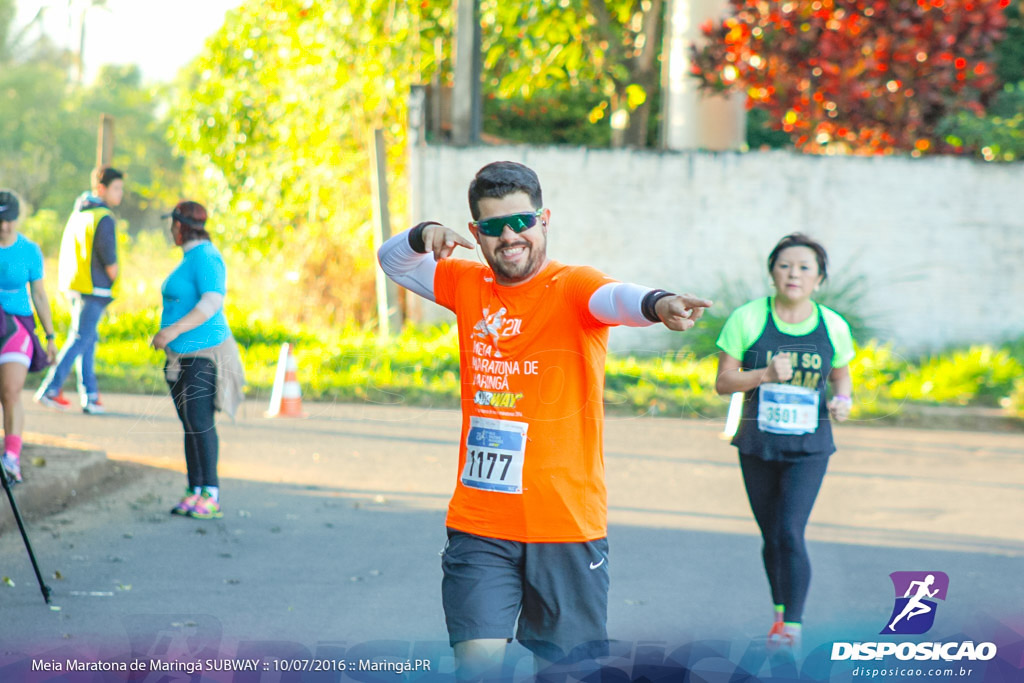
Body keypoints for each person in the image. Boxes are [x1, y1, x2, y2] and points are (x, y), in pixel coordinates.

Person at [377, 161, 713, 677]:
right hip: (481, 522)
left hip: (566, 524)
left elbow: (616, 298)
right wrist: (423, 233)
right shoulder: (467, 283)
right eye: (492, 227)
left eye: (521, 222)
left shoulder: (573, 286)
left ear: (544, 219)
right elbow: (393, 262)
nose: (510, 236)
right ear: (475, 234)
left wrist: (658, 302)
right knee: (477, 665)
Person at [714, 233, 854, 655]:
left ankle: (792, 626)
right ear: (772, 271)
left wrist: (844, 399)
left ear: (819, 278)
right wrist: (765, 375)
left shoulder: (832, 325)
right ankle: (780, 613)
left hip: (809, 448)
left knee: (791, 531)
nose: (794, 274)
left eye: (805, 267)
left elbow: (841, 374)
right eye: (785, 265)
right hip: (758, 443)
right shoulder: (748, 318)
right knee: (771, 535)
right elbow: (724, 382)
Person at [150, 201, 244, 521]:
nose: (170, 231)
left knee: (200, 422)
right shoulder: (191, 258)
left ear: (179, 226)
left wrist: (171, 330)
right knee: (189, 424)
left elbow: (213, 301)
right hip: (181, 355)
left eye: (172, 225)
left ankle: (211, 494)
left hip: (205, 352)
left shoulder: (206, 256)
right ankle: (195, 489)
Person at [35, 166, 124, 414]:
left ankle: (91, 395)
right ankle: (51, 387)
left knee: (87, 339)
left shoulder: (80, 213)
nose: (121, 194)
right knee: (81, 338)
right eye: (116, 188)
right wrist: (113, 274)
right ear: (101, 188)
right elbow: (109, 258)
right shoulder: (103, 216)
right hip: (94, 288)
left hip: (76, 285)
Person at [0, 190, 58, 484]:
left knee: (10, 391)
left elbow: (39, 293)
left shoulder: (29, 250)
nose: (4, 226)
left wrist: (49, 335)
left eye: (9, 220)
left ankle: (11, 458)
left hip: (16, 327)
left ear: (17, 218)